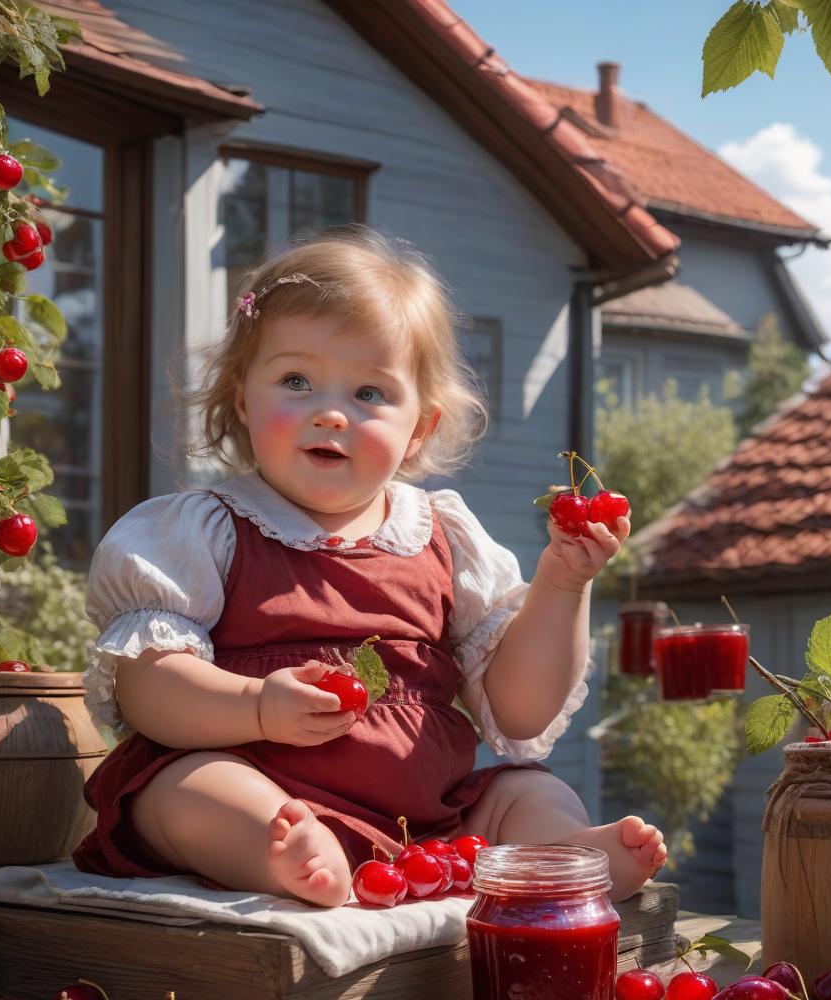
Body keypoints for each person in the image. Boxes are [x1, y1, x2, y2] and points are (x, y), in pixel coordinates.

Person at [74, 228, 666, 908]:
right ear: (243, 399)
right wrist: (258, 707)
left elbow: (520, 710)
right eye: (295, 381)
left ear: (419, 428)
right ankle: (281, 851)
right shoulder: (204, 530)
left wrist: (564, 583)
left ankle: (558, 855)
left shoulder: (444, 537)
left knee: (524, 791)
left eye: (370, 394)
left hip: (428, 820)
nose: (330, 413)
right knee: (183, 791)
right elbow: (149, 688)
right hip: (255, 777)